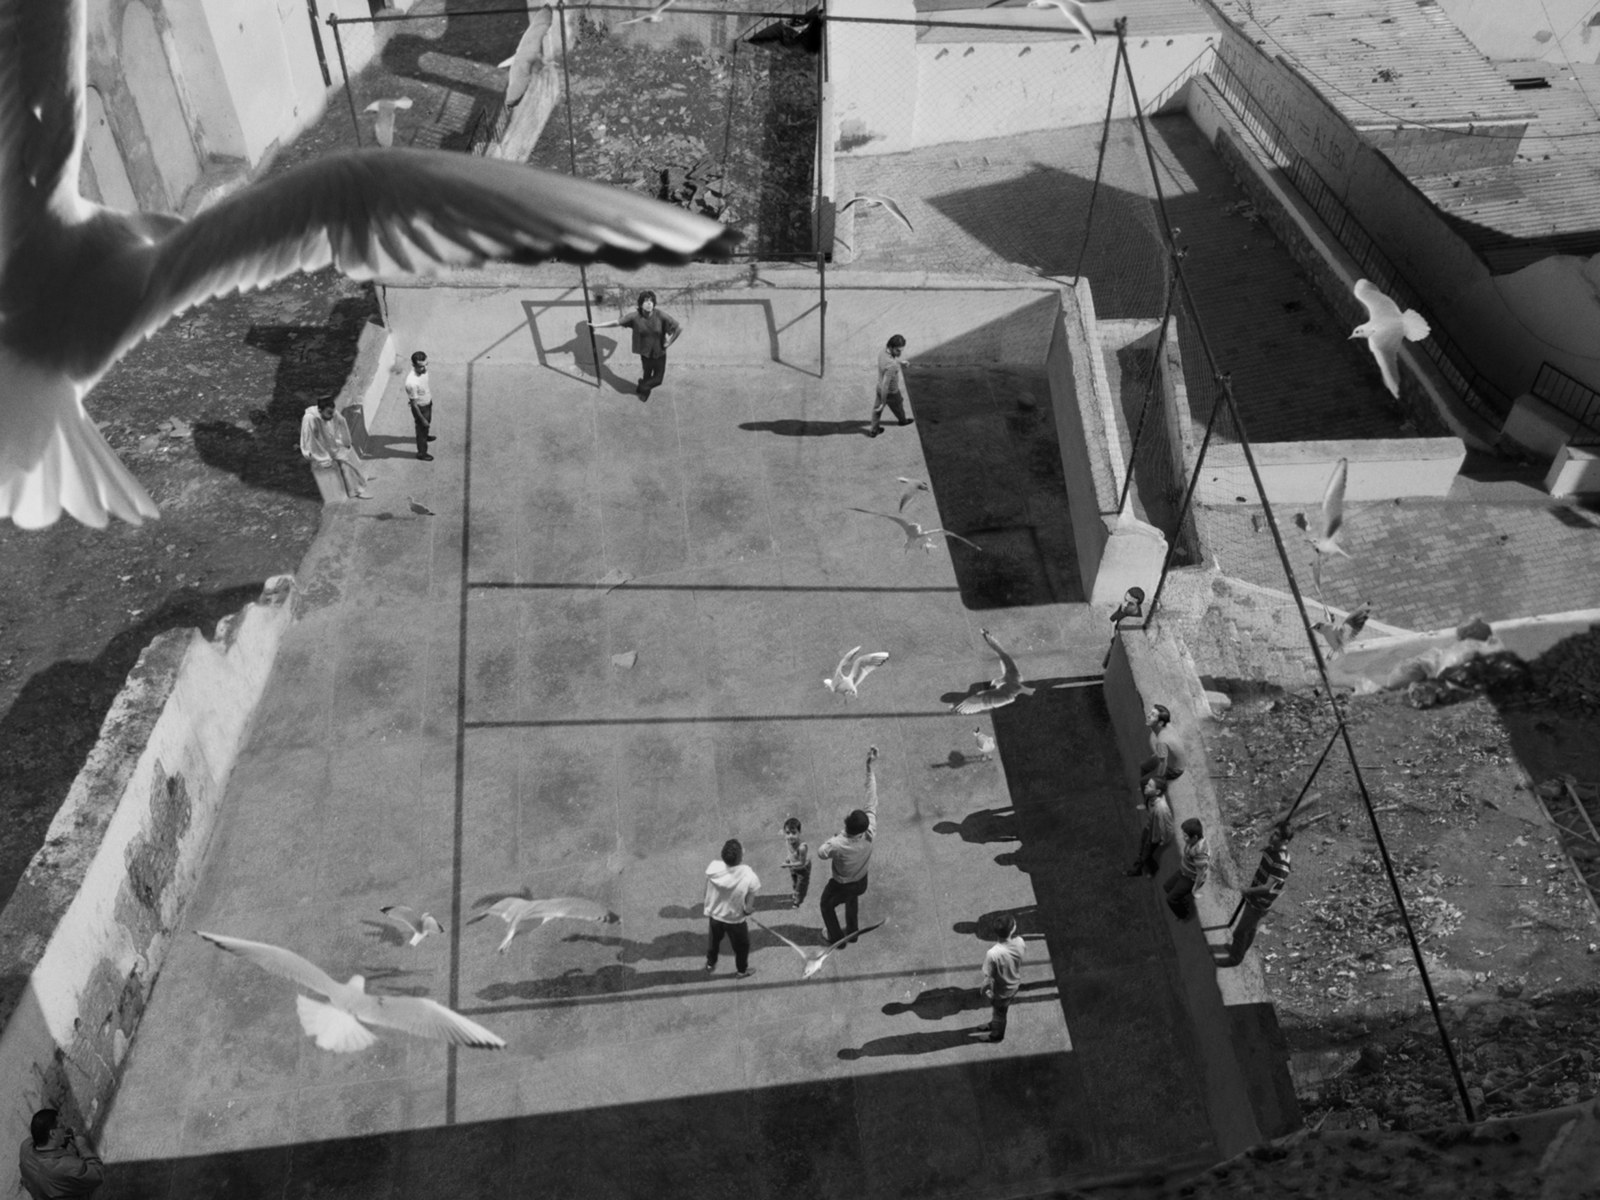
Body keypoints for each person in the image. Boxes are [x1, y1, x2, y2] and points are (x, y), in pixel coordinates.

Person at [817, 746, 881, 945]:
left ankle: (837, 939)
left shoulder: (839, 844)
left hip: (842, 883)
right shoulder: (870, 830)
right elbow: (872, 799)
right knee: (852, 901)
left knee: (826, 905)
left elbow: (821, 852)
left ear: (847, 824)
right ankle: (852, 932)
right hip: (861, 882)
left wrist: (837, 836)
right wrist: (869, 768)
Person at [586, 290, 681, 401]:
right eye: (646, 301)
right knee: (647, 374)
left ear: (654, 303)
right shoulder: (635, 317)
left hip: (660, 353)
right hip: (645, 354)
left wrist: (669, 342)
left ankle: (642, 386)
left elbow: (678, 328)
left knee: (658, 380)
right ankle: (644, 393)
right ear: (641, 304)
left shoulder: (660, 315)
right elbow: (617, 322)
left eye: (651, 301)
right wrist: (597, 325)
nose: (649, 303)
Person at [1220, 824, 1293, 965]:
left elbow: (1267, 888)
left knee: (1240, 932)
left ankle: (1234, 959)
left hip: (1260, 902)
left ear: (1285, 842)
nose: (1272, 835)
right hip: (1255, 898)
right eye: (1274, 832)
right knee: (1250, 929)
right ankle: (1238, 951)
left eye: (1277, 835)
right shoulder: (1272, 850)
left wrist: (1247, 890)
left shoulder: (1281, 863)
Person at [703, 838, 760, 978]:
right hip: (735, 921)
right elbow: (748, 907)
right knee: (742, 947)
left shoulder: (713, 868)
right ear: (741, 857)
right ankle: (741, 971)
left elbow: (706, 891)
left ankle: (710, 962)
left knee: (714, 941)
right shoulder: (748, 875)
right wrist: (748, 910)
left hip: (715, 917)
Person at [19, 1109, 103, 1199]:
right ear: (53, 1133)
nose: (65, 1127)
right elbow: (97, 1174)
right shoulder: (64, 1166)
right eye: (61, 1126)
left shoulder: (25, 1146)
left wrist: (61, 1140)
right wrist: (82, 1147)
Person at [299, 401, 373, 499]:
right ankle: (356, 490)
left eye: (333, 412)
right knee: (344, 462)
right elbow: (308, 439)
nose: (332, 415)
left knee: (349, 452)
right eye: (329, 413)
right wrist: (322, 458)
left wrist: (346, 441)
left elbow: (342, 422)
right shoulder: (310, 418)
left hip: (331, 442)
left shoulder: (331, 411)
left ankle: (361, 477)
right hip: (320, 448)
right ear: (320, 411)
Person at [980, 913, 1026, 1043]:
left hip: (1001, 991)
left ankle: (996, 1035)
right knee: (1000, 1011)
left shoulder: (993, 953)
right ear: (1013, 930)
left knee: (1000, 1014)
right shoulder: (1020, 942)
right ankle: (994, 1024)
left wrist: (987, 991)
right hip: (1014, 984)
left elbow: (988, 974)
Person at [1123, 776, 1175, 877]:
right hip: (1149, 828)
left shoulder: (1162, 809)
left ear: (1157, 791)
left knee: (1146, 855)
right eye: (1148, 784)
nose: (1146, 786)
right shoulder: (1150, 797)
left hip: (1155, 834)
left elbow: (1168, 827)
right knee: (1142, 847)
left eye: (1150, 786)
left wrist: (1164, 840)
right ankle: (1141, 865)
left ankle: (1148, 869)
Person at [868, 334, 913, 437]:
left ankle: (874, 430)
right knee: (899, 405)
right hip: (891, 392)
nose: (900, 353)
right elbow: (885, 385)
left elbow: (889, 361)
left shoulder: (883, 352)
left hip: (879, 388)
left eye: (901, 350)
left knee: (877, 410)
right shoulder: (892, 366)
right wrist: (883, 402)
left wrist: (900, 362)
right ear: (892, 347)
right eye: (898, 350)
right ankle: (903, 421)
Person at [1165, 818, 1210, 920]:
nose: (1183, 837)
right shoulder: (1194, 841)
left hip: (1190, 879)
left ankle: (1183, 914)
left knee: (1170, 899)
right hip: (1184, 871)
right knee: (1167, 887)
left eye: (1185, 835)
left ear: (1194, 837)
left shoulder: (1200, 854)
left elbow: (1200, 874)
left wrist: (1194, 890)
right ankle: (1181, 900)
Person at [1139, 703, 1186, 787]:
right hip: (1170, 758)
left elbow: (1163, 763)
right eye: (1150, 713)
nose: (1148, 715)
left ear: (1160, 723)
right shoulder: (1166, 726)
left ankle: (1153, 796)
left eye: (1153, 715)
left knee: (1144, 783)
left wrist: (1157, 779)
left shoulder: (1161, 741)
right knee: (1143, 767)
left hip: (1175, 769)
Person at [403, 350, 436, 460]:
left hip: (428, 403)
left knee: (426, 426)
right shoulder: (411, 383)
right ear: (413, 365)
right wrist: (422, 419)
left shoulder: (424, 371)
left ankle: (426, 436)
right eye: (421, 367)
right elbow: (414, 404)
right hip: (421, 408)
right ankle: (421, 453)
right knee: (421, 430)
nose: (425, 369)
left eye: (426, 364)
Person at [780, 817, 812, 908]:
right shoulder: (788, 841)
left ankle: (797, 902)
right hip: (793, 867)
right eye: (787, 833)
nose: (790, 836)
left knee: (801, 886)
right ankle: (796, 893)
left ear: (799, 833)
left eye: (794, 833)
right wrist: (788, 858)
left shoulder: (802, 847)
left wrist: (787, 865)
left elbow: (801, 863)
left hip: (802, 869)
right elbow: (790, 852)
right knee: (794, 882)